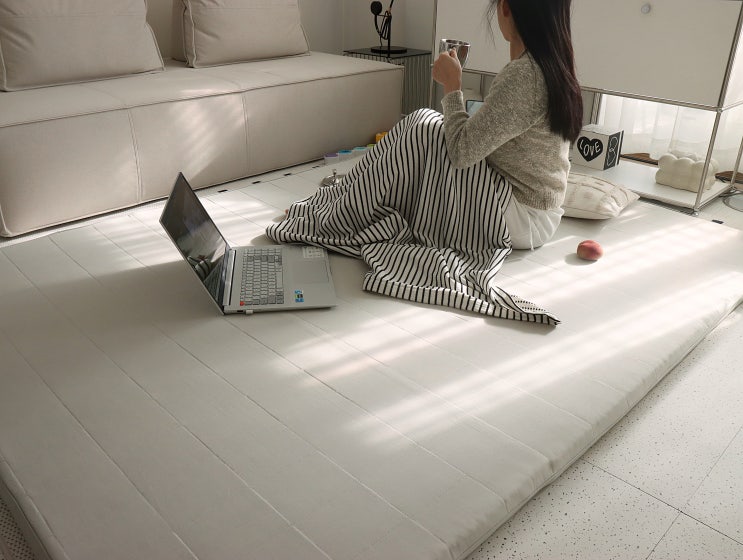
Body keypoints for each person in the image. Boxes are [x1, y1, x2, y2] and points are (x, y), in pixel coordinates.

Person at [432, 0, 583, 249]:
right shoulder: (551, 66)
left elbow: (461, 151)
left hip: (522, 216)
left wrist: (452, 86)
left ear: (505, 7)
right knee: (433, 129)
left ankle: (362, 199)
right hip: (537, 213)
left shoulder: (525, 75)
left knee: (424, 128)